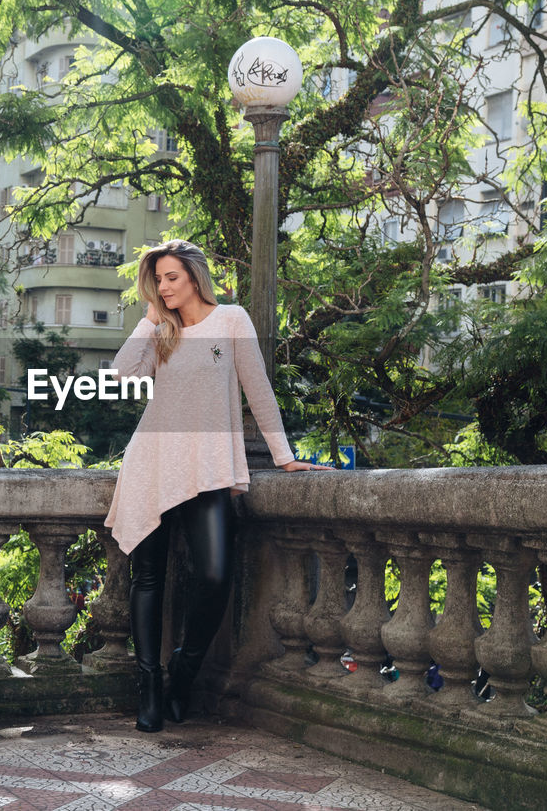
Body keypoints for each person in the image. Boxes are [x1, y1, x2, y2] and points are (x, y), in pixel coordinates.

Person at [104, 239, 332, 733]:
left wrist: (284, 457)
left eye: (172, 278)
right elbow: (118, 378)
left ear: (195, 277)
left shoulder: (232, 321)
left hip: (208, 465)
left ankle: (183, 673)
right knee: (148, 578)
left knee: (214, 575)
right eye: (158, 279)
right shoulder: (160, 330)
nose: (164, 287)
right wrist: (148, 318)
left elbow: (259, 390)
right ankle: (149, 686)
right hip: (152, 460)